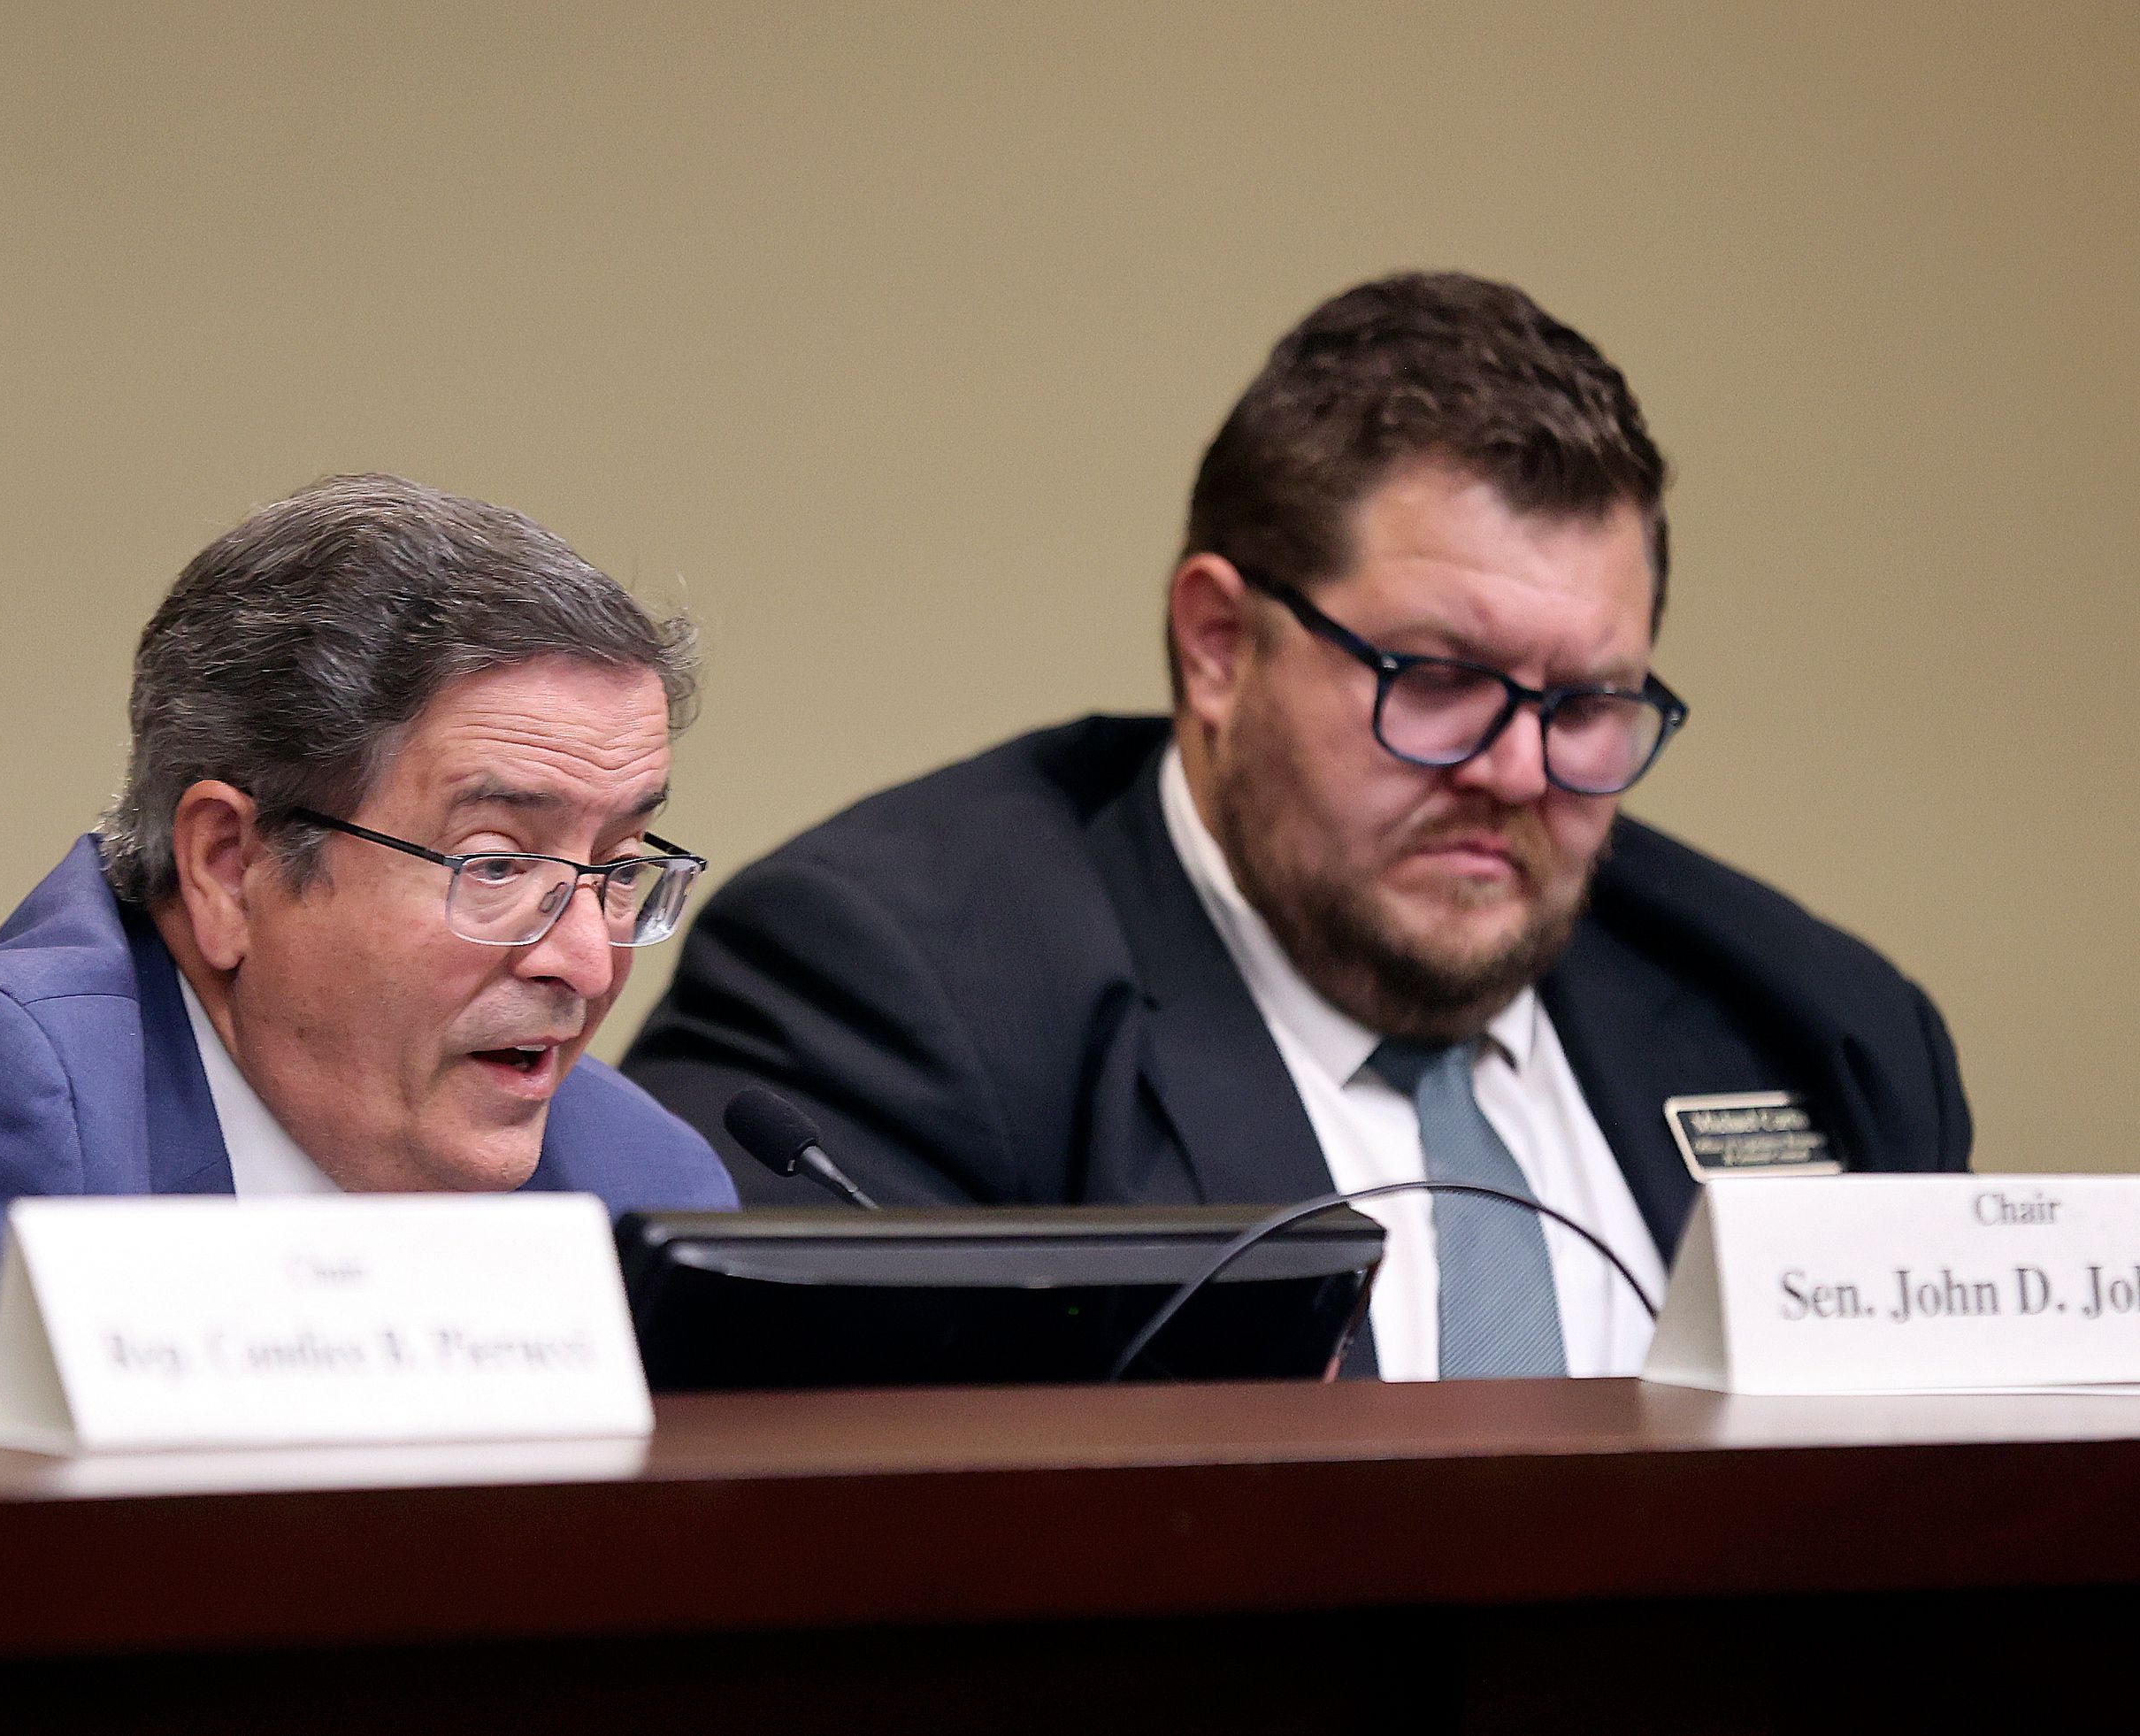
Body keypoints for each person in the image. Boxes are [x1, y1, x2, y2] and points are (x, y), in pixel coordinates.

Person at [626, 273, 1968, 1380]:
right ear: (1218, 646)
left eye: (1587, 703)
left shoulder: (1818, 1028)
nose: (1516, 768)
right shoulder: (892, 986)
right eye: (1438, 680)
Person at [0, 474, 736, 1417]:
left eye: (619, 869)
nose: (585, 962)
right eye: (496, 865)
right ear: (229, 865)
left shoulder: (631, 1183)